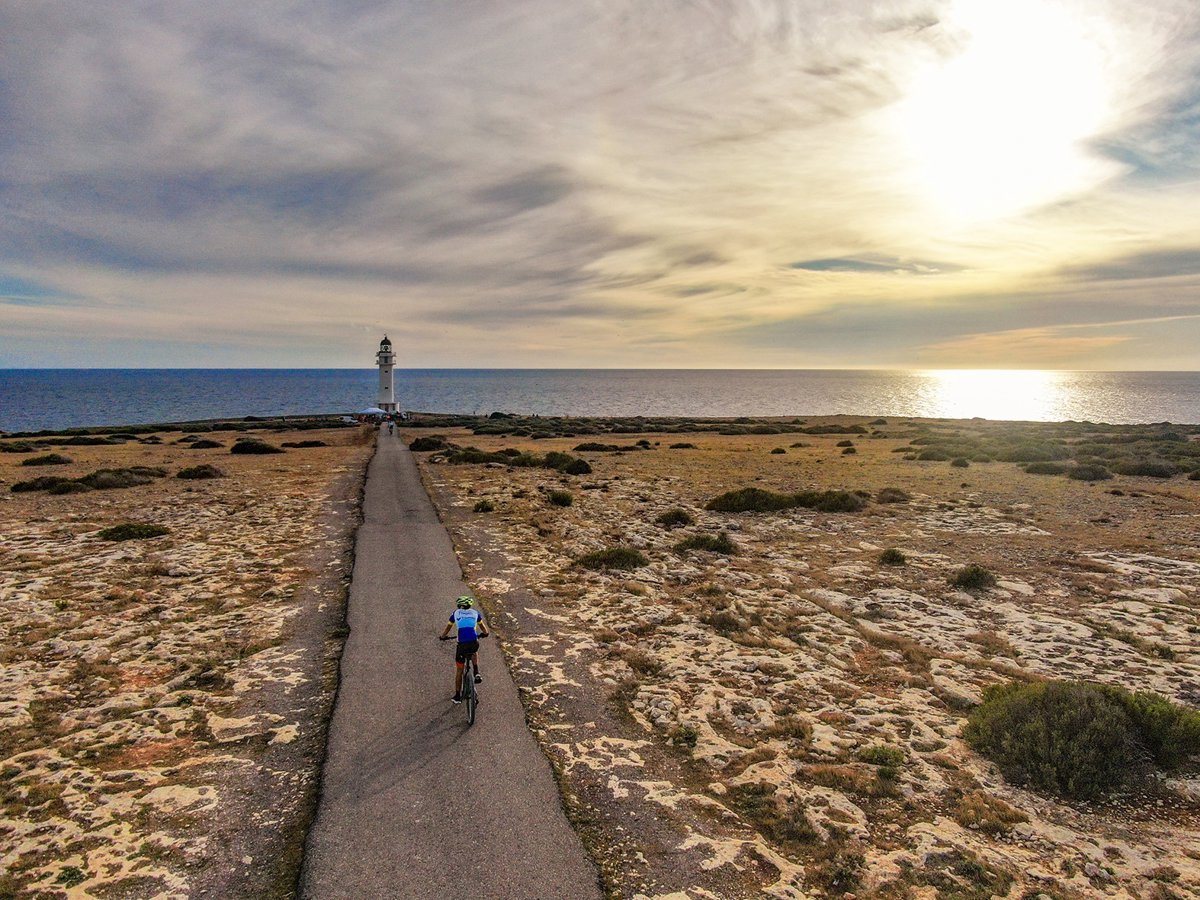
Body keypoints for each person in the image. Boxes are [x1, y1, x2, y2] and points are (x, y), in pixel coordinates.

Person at [438, 595, 489, 703]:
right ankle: (476, 672)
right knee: (474, 650)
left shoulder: (455, 613)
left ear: (459, 605)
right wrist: (485, 634)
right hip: (473, 642)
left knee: (459, 671)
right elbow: (484, 629)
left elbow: (448, 628)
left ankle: (457, 696)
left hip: (462, 645)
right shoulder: (475, 613)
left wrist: (443, 637)